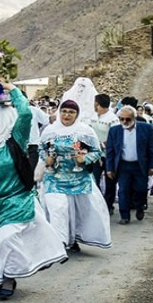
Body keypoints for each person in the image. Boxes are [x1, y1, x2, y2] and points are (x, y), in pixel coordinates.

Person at [0, 80, 68, 300]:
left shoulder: (14, 138)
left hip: (15, 197)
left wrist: (12, 90)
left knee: (7, 238)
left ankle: (9, 279)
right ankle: (8, 273)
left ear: (1, 117)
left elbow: (25, 114)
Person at [39, 100, 111, 252]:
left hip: (78, 178)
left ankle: (73, 239)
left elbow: (97, 151)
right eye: (64, 111)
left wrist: (84, 159)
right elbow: (41, 149)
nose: (67, 115)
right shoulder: (50, 131)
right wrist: (47, 158)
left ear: (77, 115)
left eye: (71, 112)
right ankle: (60, 243)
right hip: (55, 177)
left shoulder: (85, 131)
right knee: (59, 208)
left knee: (76, 211)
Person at [105, 106, 153, 224]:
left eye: (127, 119)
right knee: (123, 190)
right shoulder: (114, 130)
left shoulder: (146, 128)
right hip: (123, 166)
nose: (124, 122)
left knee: (141, 189)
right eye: (121, 119)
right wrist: (109, 168)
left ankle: (139, 206)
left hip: (140, 165)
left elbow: (152, 149)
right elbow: (110, 151)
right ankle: (124, 215)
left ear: (134, 118)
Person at [90, 93, 120, 214]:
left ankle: (108, 205)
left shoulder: (113, 119)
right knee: (94, 180)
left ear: (97, 103)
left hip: (109, 156)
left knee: (110, 182)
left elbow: (116, 137)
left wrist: (102, 144)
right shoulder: (93, 117)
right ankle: (96, 204)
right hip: (95, 156)